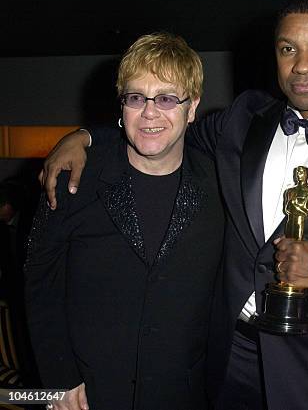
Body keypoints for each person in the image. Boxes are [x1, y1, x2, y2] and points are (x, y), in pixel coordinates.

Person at [39, 0, 308, 409]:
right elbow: (161, 131)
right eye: (288, 49)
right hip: (224, 361)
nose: (302, 64)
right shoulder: (242, 120)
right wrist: (85, 138)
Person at [25, 33, 224, 410]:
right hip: (85, 394)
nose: (150, 112)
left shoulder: (219, 185)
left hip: (183, 393)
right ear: (123, 106)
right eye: (136, 98)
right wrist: (59, 379)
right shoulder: (75, 179)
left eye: (166, 98)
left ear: (192, 106)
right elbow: (40, 282)